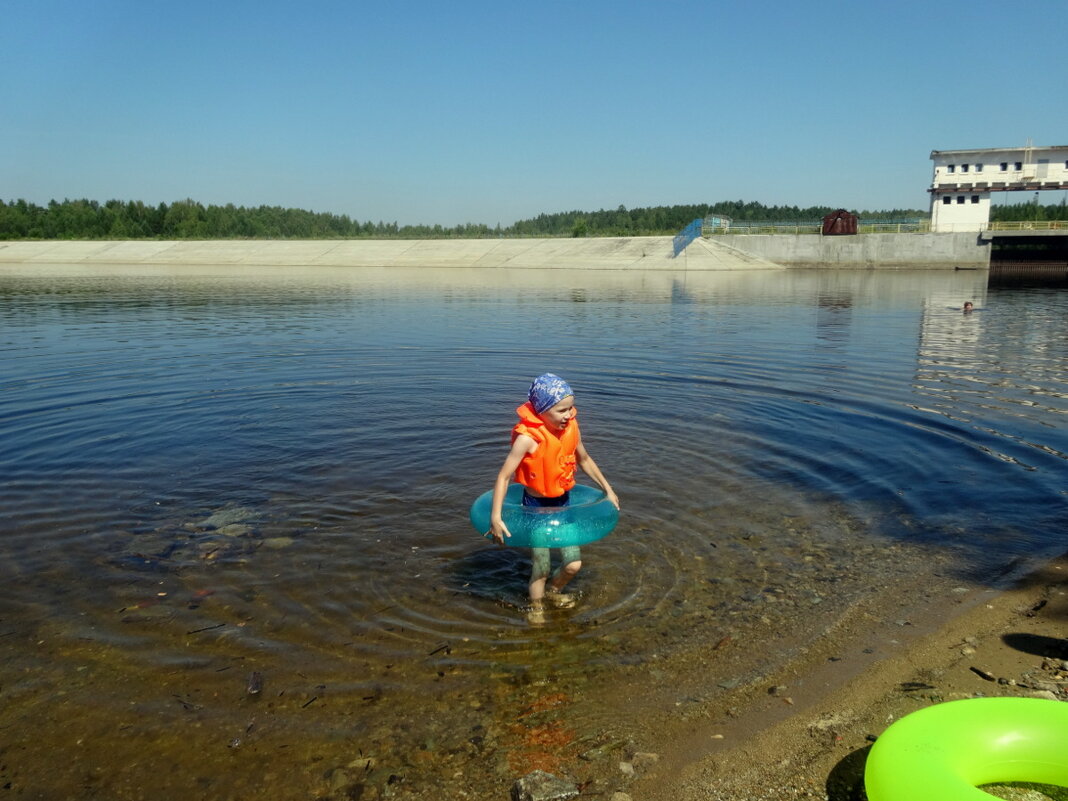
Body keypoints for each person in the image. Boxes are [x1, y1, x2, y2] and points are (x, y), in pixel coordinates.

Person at [488, 373, 619, 622]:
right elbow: (504, 477)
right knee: (542, 567)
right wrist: (496, 516)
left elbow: (585, 459)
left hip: (563, 504)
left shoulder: (571, 429)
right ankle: (536, 608)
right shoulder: (528, 439)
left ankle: (553, 591)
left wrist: (608, 489)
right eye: (561, 410)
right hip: (536, 507)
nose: (569, 415)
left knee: (572, 565)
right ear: (542, 411)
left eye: (570, 408)